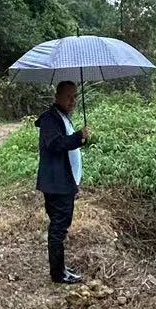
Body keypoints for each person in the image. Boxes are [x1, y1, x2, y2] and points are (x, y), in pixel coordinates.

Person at [35, 80, 92, 285]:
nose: (73, 101)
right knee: (59, 228)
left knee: (60, 226)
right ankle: (58, 274)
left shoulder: (62, 117)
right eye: (69, 96)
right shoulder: (50, 119)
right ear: (57, 96)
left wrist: (82, 139)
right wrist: (78, 136)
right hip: (57, 184)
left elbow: (67, 144)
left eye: (75, 96)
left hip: (64, 182)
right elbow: (56, 144)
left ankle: (60, 268)